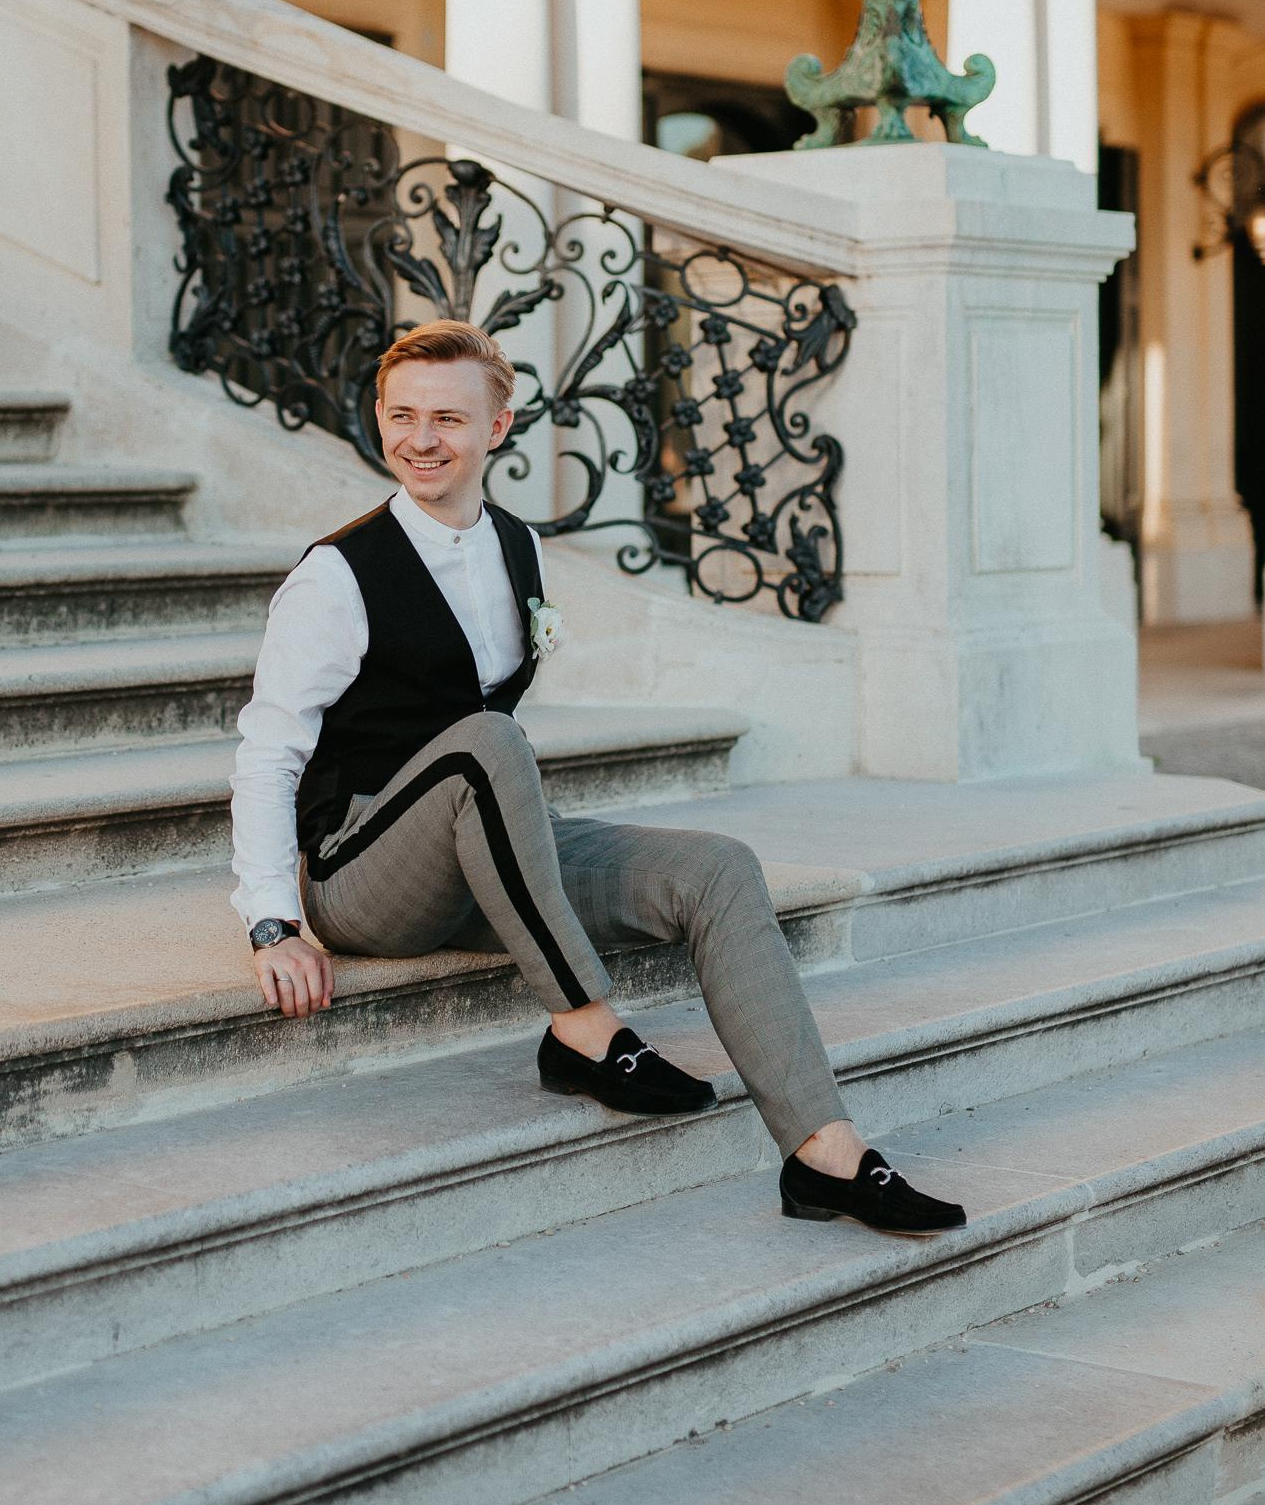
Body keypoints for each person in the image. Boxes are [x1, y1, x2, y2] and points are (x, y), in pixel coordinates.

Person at [228, 318, 963, 1235]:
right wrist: (272, 921)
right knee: (493, 741)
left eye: (448, 419)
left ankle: (824, 1153)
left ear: (497, 428)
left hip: (478, 847)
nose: (420, 439)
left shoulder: (517, 549)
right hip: (363, 873)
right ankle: (583, 1027)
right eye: (402, 415)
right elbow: (269, 749)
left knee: (718, 869)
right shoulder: (338, 575)